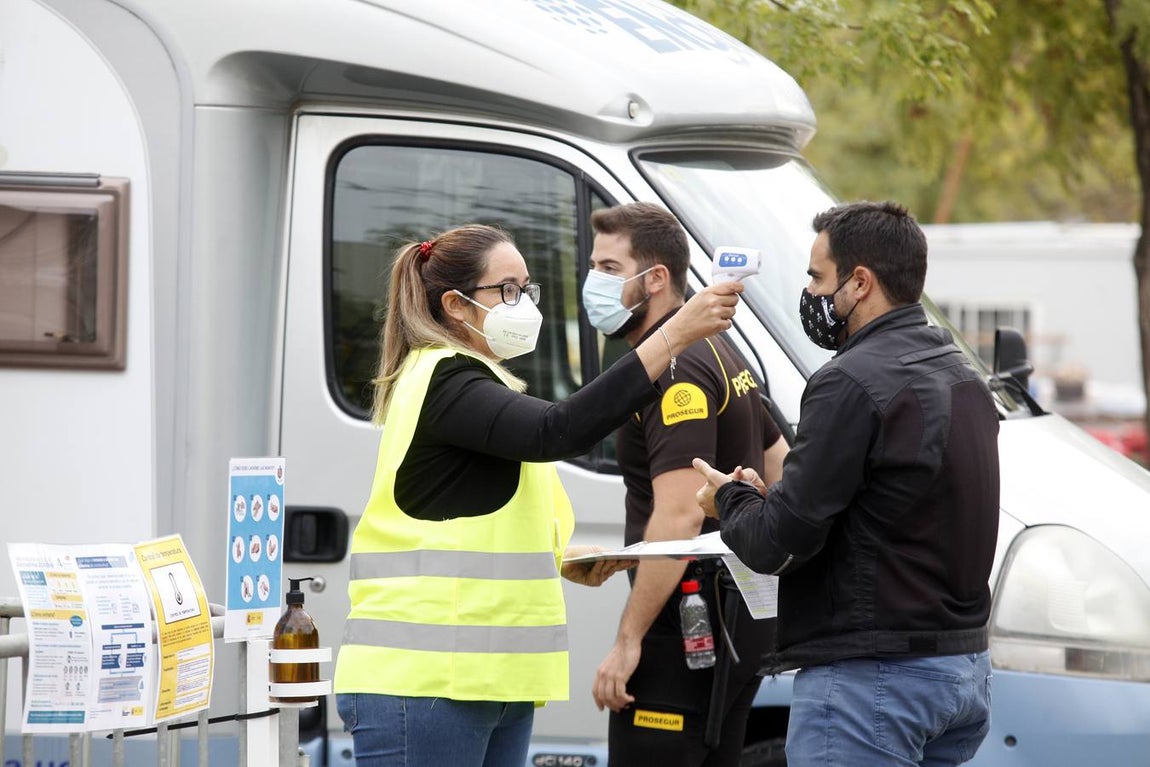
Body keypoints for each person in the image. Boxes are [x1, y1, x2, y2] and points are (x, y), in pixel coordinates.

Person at [333, 223, 742, 767]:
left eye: (528, 289)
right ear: (455, 305)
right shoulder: (444, 378)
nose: (522, 303)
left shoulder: (483, 382)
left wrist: (572, 560)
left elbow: (483, 517)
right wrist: (674, 334)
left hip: (491, 680)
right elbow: (558, 430)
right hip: (426, 683)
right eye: (506, 290)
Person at [694, 201, 1000, 767]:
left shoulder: (850, 381)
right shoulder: (963, 375)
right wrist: (776, 500)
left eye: (816, 276)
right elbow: (891, 507)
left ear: (860, 282)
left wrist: (729, 499)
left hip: (873, 682)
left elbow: (778, 540)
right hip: (961, 672)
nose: (810, 292)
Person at [585, 202, 789, 766]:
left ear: (654, 280)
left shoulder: (675, 371)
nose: (592, 282)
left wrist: (628, 642)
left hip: (684, 631)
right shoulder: (721, 348)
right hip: (738, 624)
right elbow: (778, 466)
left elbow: (678, 516)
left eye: (606, 267)